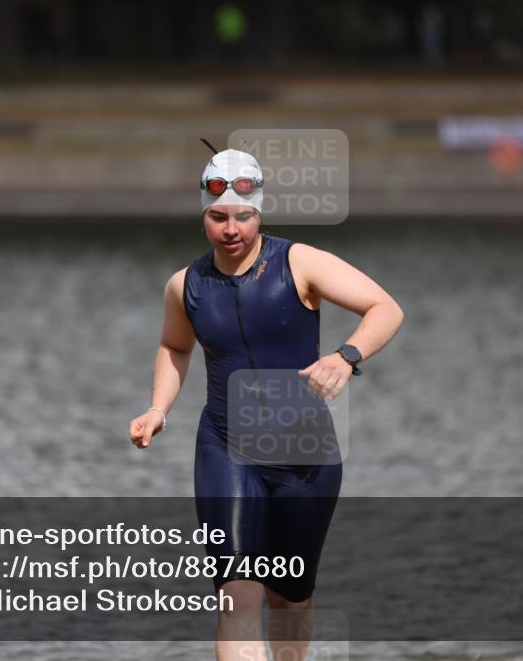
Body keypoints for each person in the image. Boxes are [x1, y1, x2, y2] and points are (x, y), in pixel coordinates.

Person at [129, 148, 404, 661]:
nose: (230, 229)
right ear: (203, 215)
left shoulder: (299, 263)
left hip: (304, 453)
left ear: (260, 213)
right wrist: (158, 408)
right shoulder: (185, 286)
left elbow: (385, 308)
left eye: (243, 216)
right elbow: (175, 346)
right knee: (238, 592)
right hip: (225, 446)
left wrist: (346, 357)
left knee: (290, 596)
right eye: (217, 217)